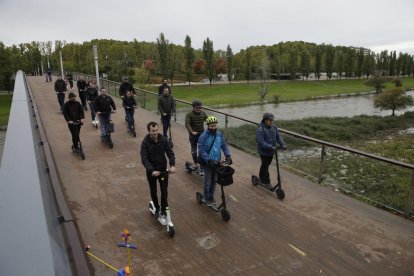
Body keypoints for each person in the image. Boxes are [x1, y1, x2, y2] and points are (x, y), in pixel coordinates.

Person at [140, 121, 176, 221]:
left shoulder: (163, 139)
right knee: (153, 190)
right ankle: (156, 208)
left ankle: (164, 209)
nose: (155, 133)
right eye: (152, 131)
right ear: (149, 131)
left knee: (164, 191)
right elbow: (144, 158)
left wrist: (172, 165)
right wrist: (151, 170)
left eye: (156, 130)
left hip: (163, 170)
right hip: (152, 172)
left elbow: (170, 153)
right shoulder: (145, 142)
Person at [198, 116, 232, 206]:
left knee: (214, 180)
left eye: (215, 126)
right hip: (208, 162)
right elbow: (201, 150)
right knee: (208, 180)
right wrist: (208, 160)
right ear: (208, 126)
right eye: (211, 126)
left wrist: (228, 155)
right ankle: (206, 197)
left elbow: (224, 145)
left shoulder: (219, 134)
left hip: (217, 162)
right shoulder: (203, 136)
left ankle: (211, 195)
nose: (213, 128)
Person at [256, 113, 286, 187]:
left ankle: (261, 178)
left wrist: (283, 144)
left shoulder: (274, 127)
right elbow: (261, 142)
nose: (271, 122)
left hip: (271, 151)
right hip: (263, 152)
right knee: (265, 166)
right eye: (270, 120)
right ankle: (266, 182)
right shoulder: (261, 129)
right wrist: (270, 147)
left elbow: (278, 137)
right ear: (265, 120)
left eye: (272, 120)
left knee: (265, 165)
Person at [185, 100, 207, 168]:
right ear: (193, 107)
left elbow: (208, 121)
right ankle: (195, 162)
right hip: (193, 135)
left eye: (200, 108)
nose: (199, 109)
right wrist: (192, 132)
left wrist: (211, 128)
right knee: (194, 151)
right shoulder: (189, 114)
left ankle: (201, 162)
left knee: (202, 150)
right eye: (197, 108)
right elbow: (187, 124)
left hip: (202, 134)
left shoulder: (203, 113)